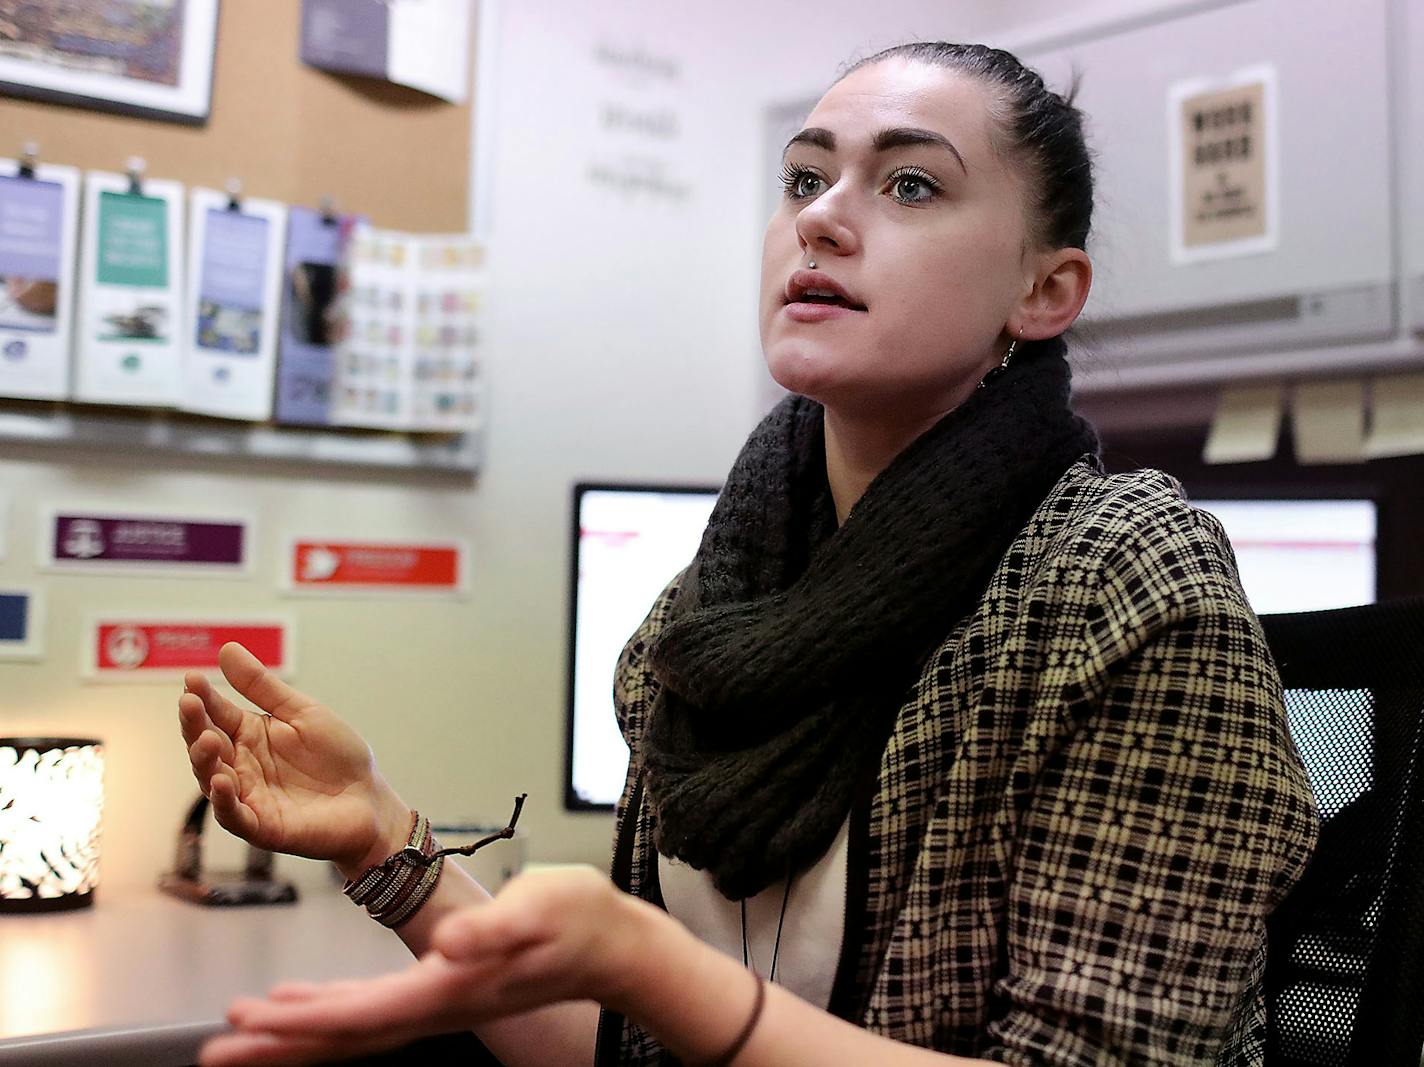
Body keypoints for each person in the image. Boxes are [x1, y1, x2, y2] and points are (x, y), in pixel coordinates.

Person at [179, 42, 1317, 1067]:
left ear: (1042, 289)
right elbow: (622, 1049)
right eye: (802, 177)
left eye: (908, 182)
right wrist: (385, 842)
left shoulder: (1119, 579)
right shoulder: (710, 608)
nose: (820, 217)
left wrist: (650, 963)